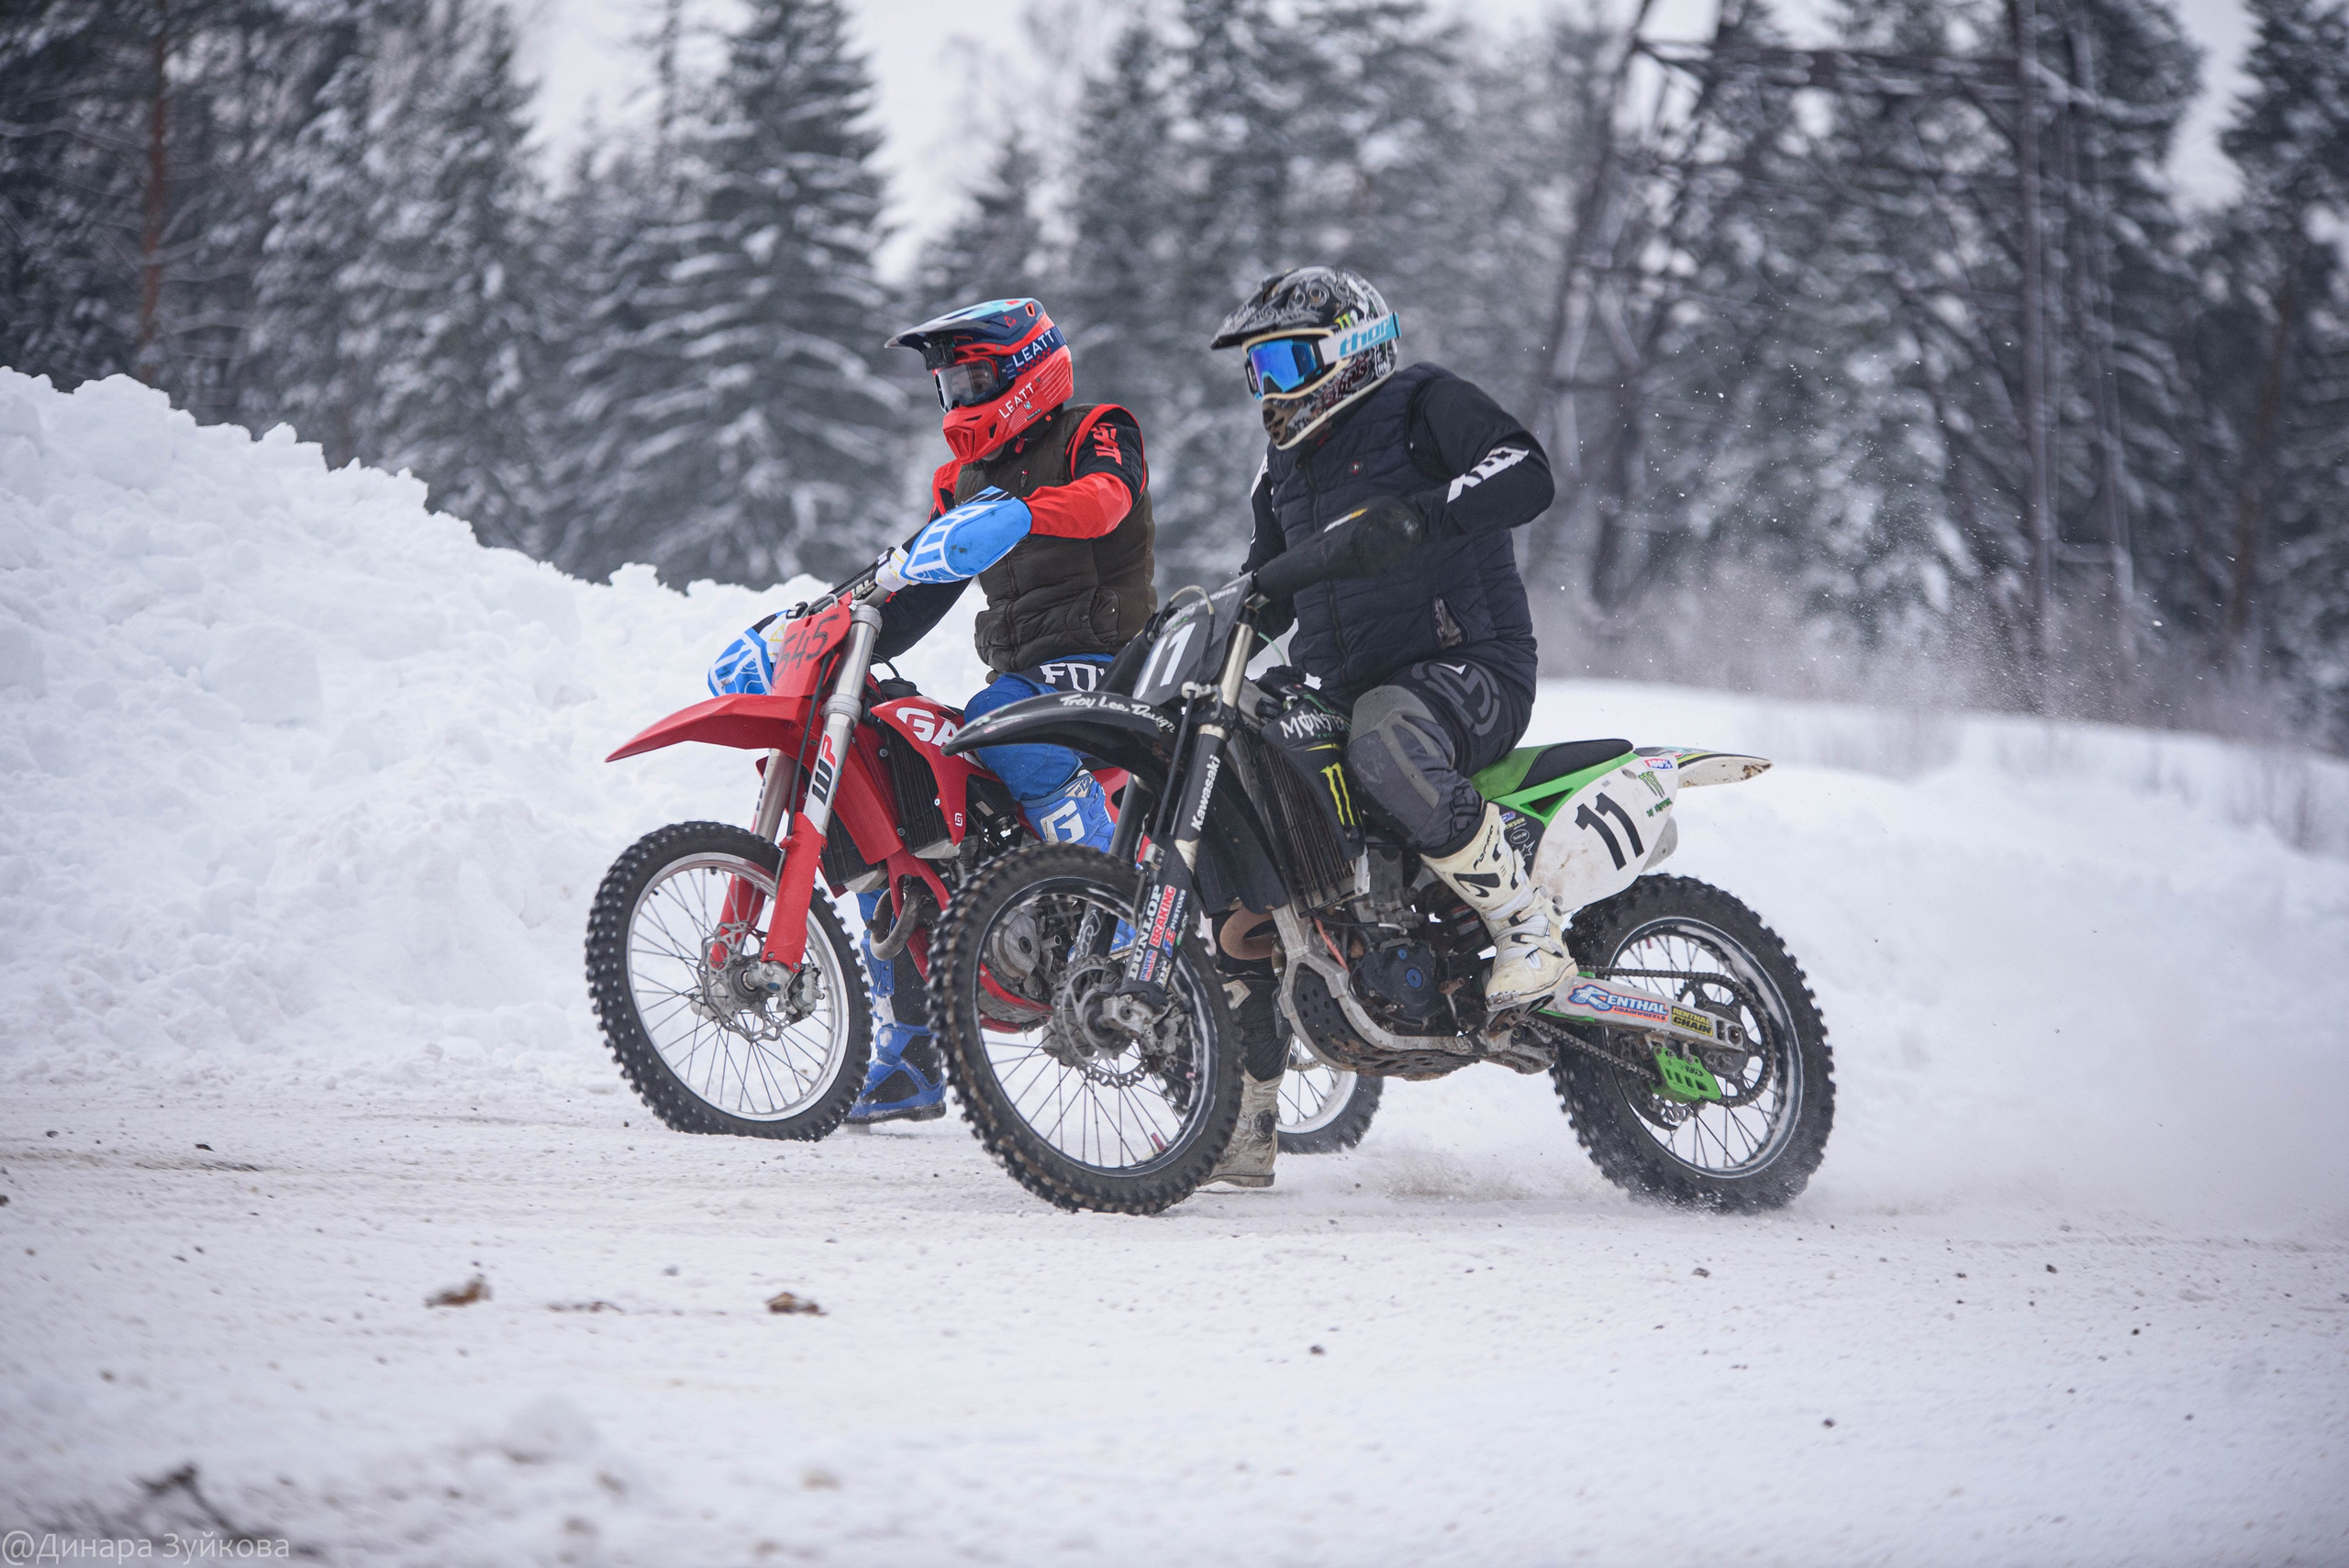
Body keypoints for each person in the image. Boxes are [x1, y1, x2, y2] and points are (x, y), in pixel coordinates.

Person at [1201, 265, 1564, 1187]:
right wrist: (1211, 628)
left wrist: (1427, 513)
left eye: (1284, 361)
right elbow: (1265, 583)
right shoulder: (1283, 467)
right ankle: (1240, 1118)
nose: (1269, 388)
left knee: (1382, 732)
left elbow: (1526, 470)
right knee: (1239, 791)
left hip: (1468, 669)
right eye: (1256, 372)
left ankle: (1527, 929)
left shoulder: (1421, 402)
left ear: (1349, 348)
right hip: (1351, 685)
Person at [850, 297, 1158, 1124]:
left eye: (974, 377)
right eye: (949, 382)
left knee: (1002, 716)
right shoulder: (962, 478)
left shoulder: (1097, 426)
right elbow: (929, 579)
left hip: (1116, 666)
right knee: (890, 774)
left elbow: (1107, 500)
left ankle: (1120, 911)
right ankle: (914, 1052)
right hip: (1029, 678)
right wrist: (851, 621)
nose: (958, 397)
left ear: (1026, 369)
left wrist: (1022, 512)